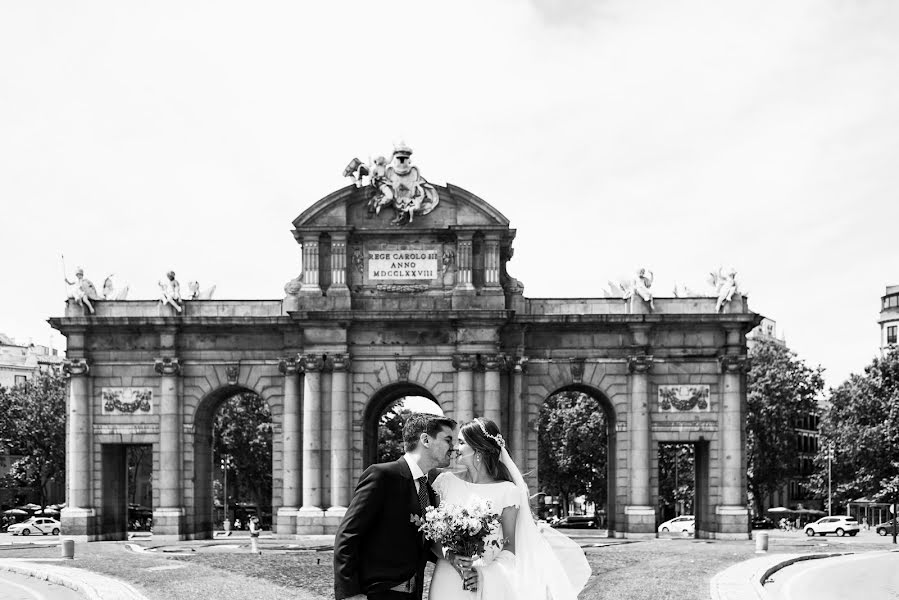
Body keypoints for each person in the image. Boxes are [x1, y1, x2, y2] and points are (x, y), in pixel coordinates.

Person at [429, 418, 591, 600]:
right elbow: (432, 537)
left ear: (479, 450)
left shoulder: (507, 492)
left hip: (481, 580)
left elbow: (509, 547)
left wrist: (483, 575)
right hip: (446, 578)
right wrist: (450, 556)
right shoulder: (445, 482)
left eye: (461, 442)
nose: (455, 448)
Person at [334, 413, 457, 600]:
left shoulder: (429, 490)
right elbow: (348, 535)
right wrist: (350, 593)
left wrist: (457, 559)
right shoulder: (381, 476)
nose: (453, 448)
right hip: (375, 594)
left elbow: (421, 544)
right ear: (425, 440)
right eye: (448, 440)